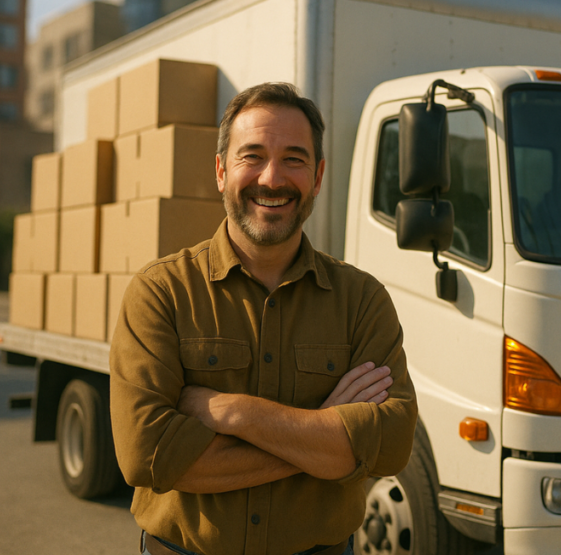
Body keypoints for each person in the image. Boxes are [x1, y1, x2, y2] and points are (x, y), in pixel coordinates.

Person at [109, 82, 418, 555]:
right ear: (220, 171)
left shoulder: (362, 301)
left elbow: (392, 444)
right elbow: (146, 456)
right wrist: (325, 436)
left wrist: (233, 412)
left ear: (317, 177)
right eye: (251, 156)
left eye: (293, 158)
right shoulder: (161, 293)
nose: (271, 178)